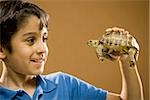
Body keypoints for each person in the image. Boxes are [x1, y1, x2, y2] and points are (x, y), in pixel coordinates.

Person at [0, 0, 144, 100]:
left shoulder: (64, 85)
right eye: (31, 40)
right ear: (1, 50)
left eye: (44, 39)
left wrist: (127, 61)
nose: (42, 48)